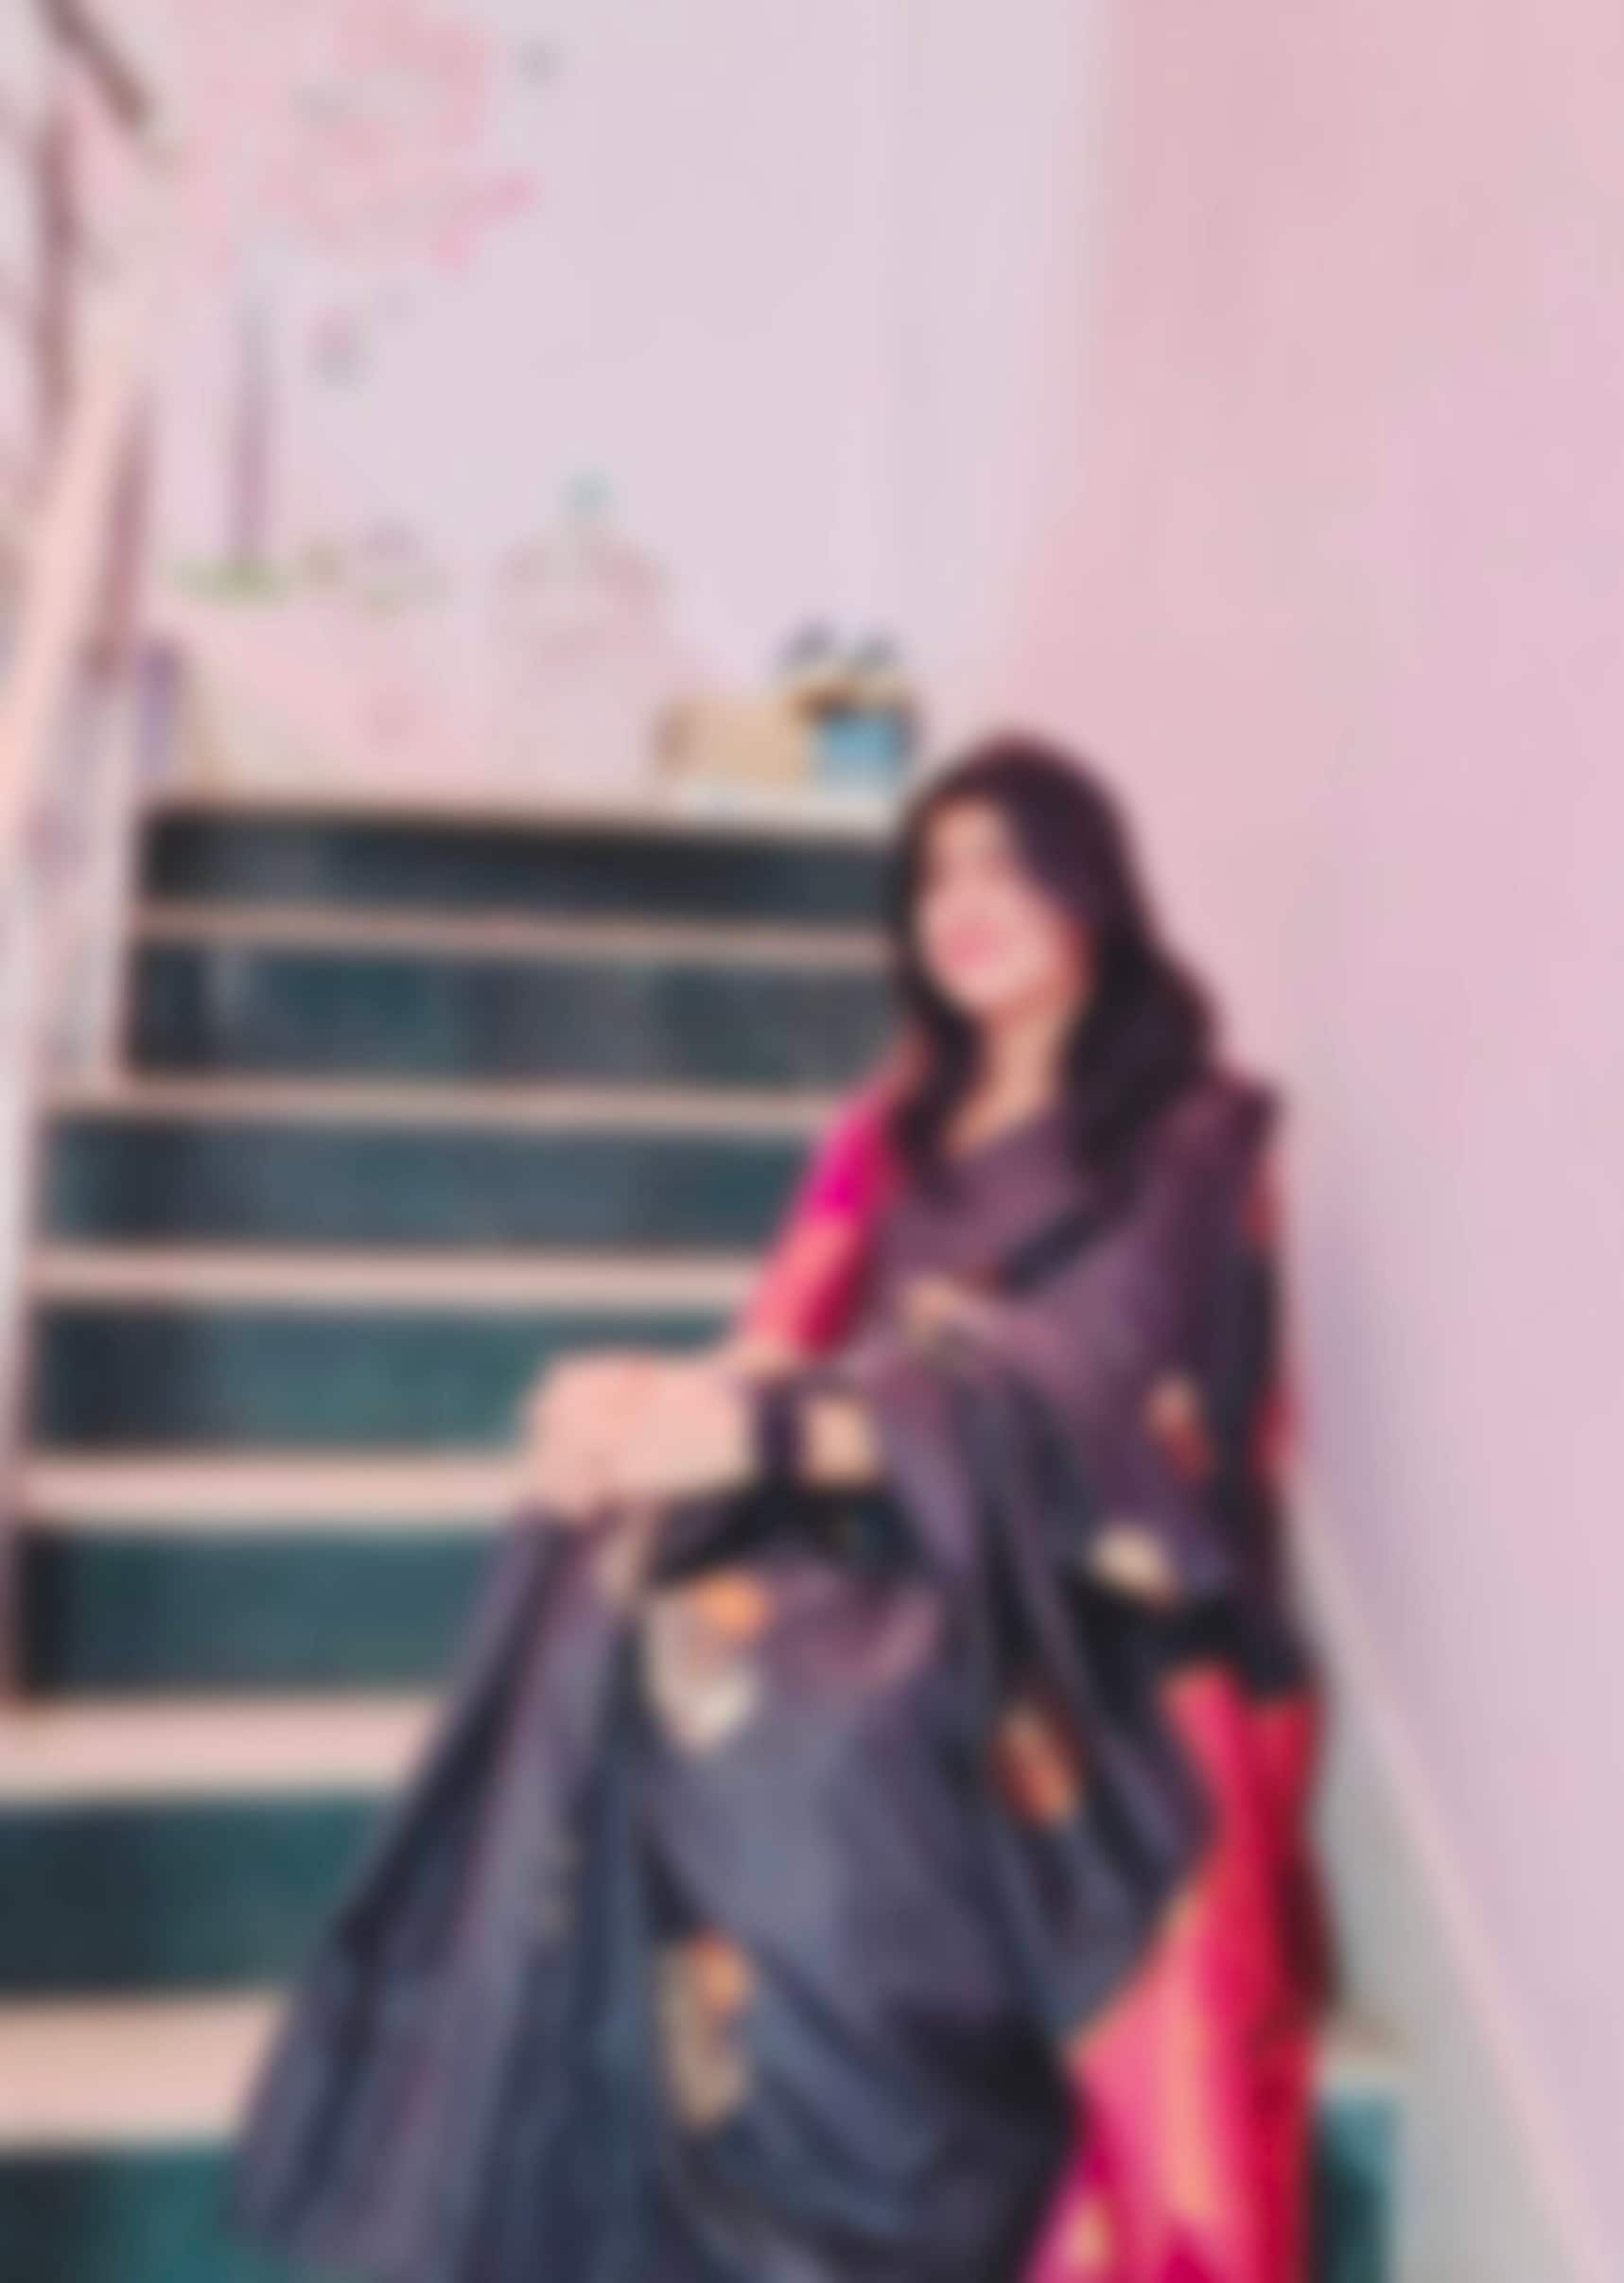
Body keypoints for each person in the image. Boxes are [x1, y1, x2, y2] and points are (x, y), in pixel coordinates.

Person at [232, 735, 1328, 2283]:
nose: (962, 904)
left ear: (1092, 886)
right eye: (934, 875)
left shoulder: (1190, 1128)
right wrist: (637, 1408)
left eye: (1005, 863)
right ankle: (623, 2159)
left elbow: (1100, 1374)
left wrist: (767, 1427)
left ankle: (862, 2213)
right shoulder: (893, 1126)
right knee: (608, 1568)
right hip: (881, 1508)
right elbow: (779, 1337)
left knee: (797, 1723)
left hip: (1070, 1575)